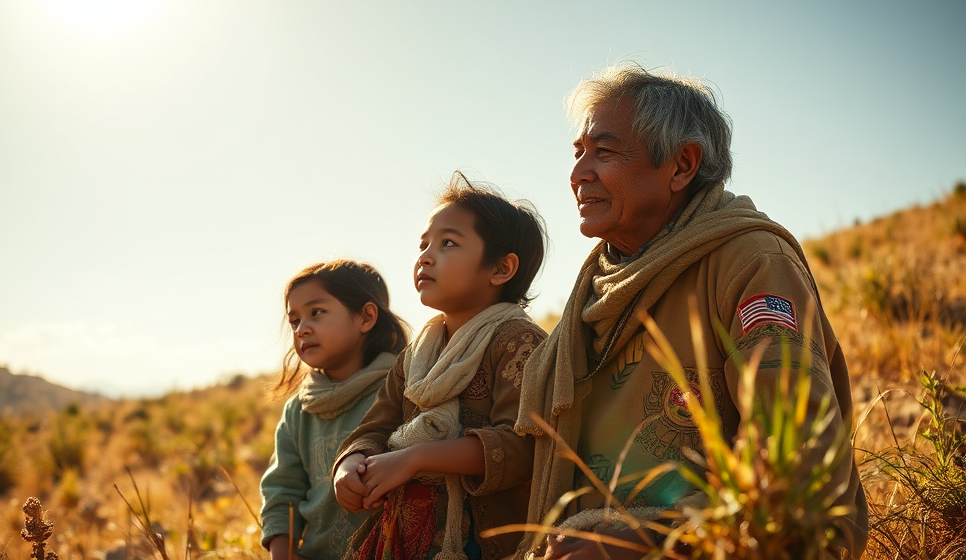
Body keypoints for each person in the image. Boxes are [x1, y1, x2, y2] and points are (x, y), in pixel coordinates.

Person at [514, 63, 869, 559]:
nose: (578, 174)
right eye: (579, 153)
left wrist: (648, 542)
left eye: (604, 152)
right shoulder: (596, 289)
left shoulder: (752, 261)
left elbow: (796, 454)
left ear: (681, 165)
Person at [333, 175, 548, 560]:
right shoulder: (415, 356)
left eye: (447, 243)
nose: (425, 257)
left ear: (501, 268)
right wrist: (350, 464)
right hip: (408, 537)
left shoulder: (517, 342)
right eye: (423, 245)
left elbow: (522, 446)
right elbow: (375, 428)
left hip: (485, 544)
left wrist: (415, 457)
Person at [260, 260, 409, 560]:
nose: (302, 329)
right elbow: (282, 493)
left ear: (366, 317)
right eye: (294, 321)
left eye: (316, 312)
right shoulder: (298, 410)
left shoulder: (402, 389)